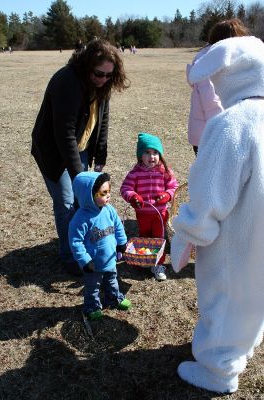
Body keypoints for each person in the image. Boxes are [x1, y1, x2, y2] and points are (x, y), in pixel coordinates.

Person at [171, 35, 264, 393]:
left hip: (236, 237)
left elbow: (211, 193)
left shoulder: (231, 124)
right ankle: (246, 344)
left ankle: (219, 370)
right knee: (256, 295)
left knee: (224, 293)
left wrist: (188, 234)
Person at [31, 38, 130, 276]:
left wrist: (100, 158)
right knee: (67, 203)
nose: (104, 79)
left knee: (81, 203)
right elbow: (63, 134)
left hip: (81, 147)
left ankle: (85, 248)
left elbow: (102, 121)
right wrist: (80, 178)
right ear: (87, 66)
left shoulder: (102, 85)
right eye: (99, 74)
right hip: (55, 152)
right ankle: (70, 257)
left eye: (109, 75)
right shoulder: (67, 81)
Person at [68, 171, 132, 320]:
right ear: (89, 196)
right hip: (93, 263)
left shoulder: (109, 210)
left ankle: (114, 299)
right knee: (92, 287)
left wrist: (122, 243)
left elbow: (118, 227)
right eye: (103, 193)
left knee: (112, 280)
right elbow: (75, 242)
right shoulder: (80, 219)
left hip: (109, 258)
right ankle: (92, 306)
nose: (108, 195)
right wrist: (84, 261)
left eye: (108, 191)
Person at [120, 132, 179, 281]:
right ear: (140, 155)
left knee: (159, 239)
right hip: (143, 214)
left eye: (155, 152)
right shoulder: (135, 173)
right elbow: (125, 188)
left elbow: (174, 186)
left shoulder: (164, 171)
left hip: (160, 213)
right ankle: (145, 260)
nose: (151, 156)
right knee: (145, 237)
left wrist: (167, 195)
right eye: (147, 152)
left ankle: (158, 264)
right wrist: (133, 197)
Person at [187, 18, 249, 156]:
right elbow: (210, 101)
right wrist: (223, 131)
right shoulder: (210, 60)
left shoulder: (225, 57)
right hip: (211, 135)